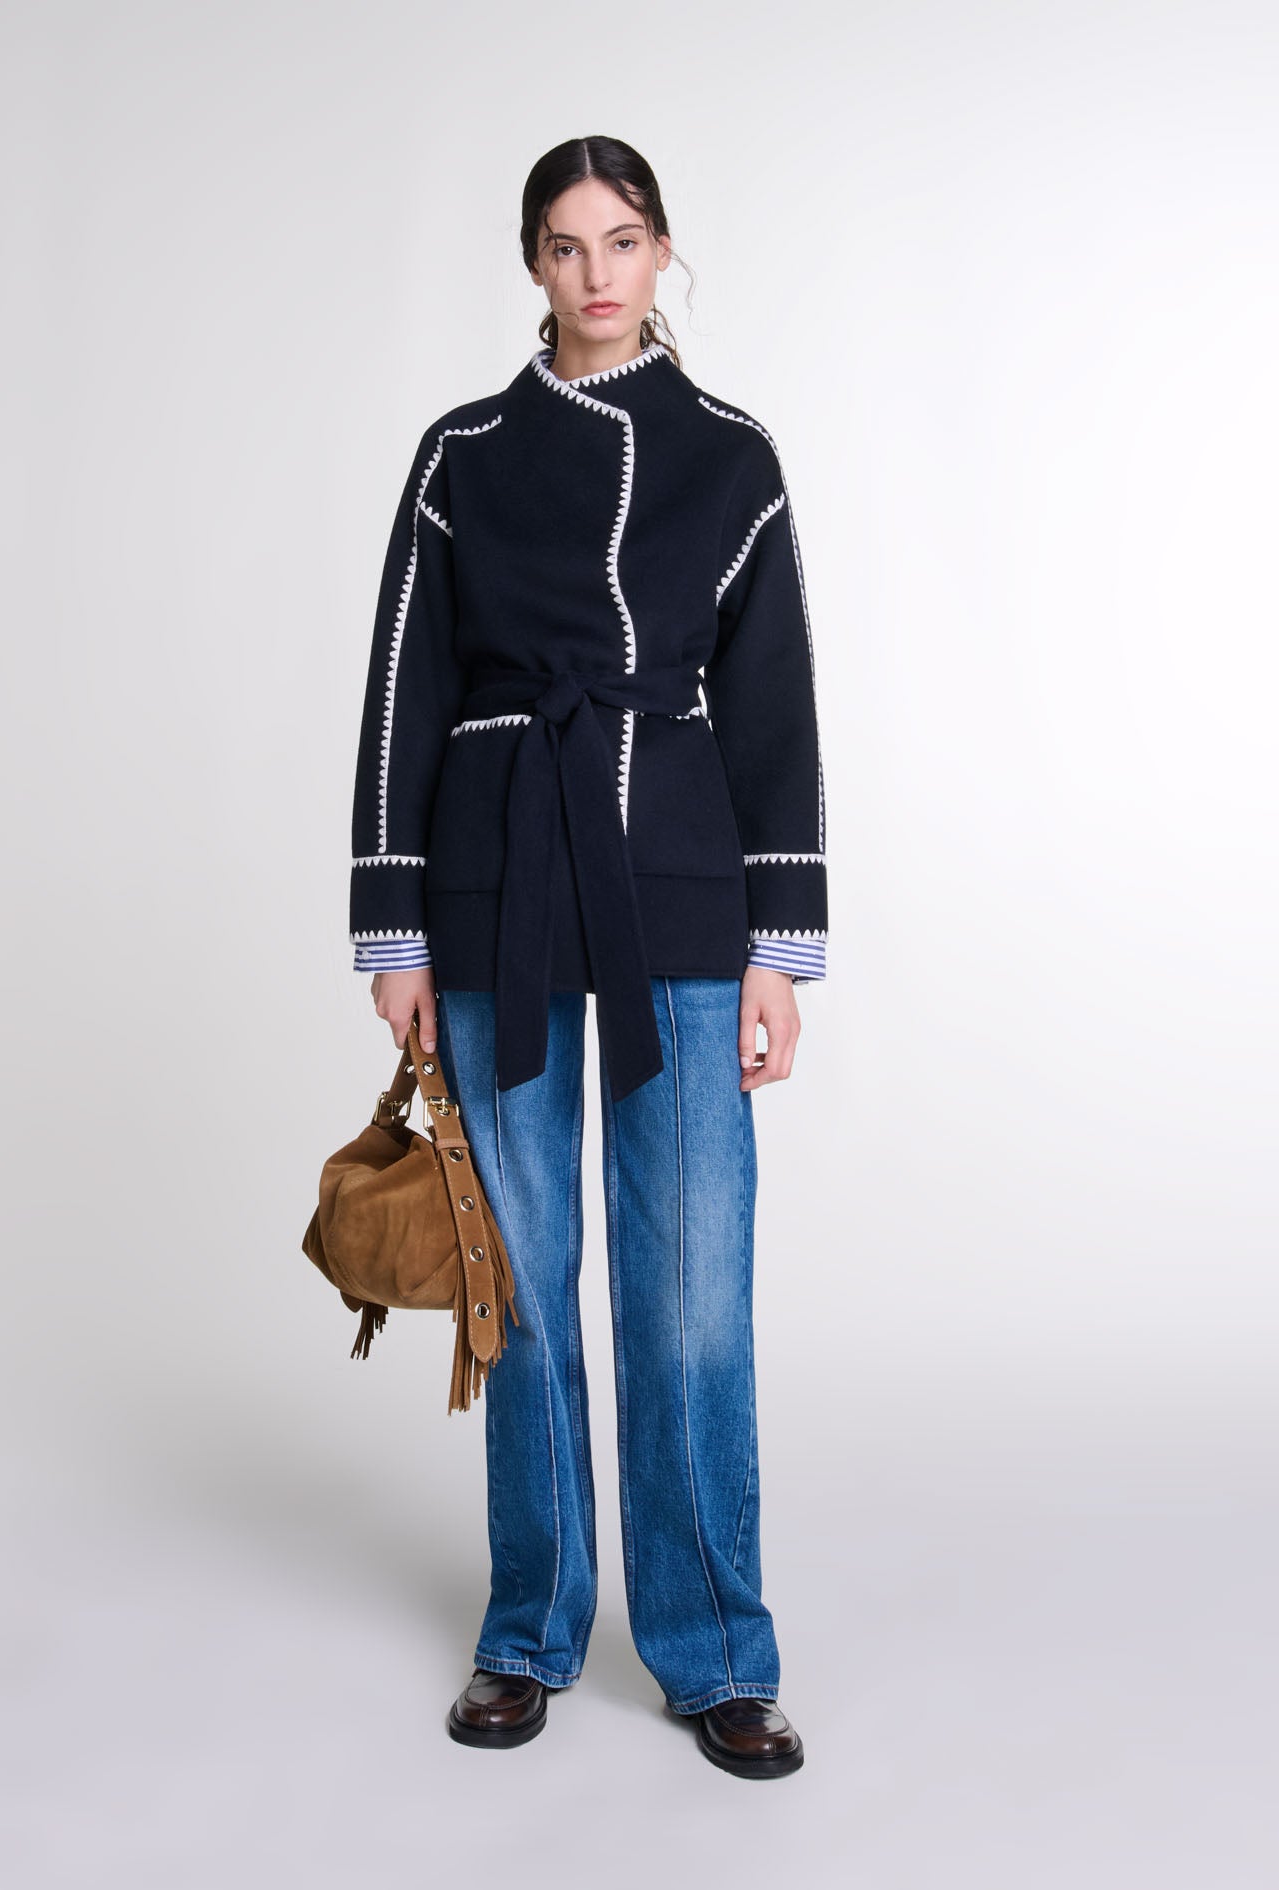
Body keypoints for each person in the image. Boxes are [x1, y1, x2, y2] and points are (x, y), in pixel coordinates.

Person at [347, 135, 826, 1781]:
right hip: (498, 889)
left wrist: (778, 952)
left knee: (691, 1299)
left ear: (663, 252)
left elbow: (774, 708)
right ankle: (528, 1627)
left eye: (623, 241)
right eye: (565, 246)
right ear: (532, 265)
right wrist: (397, 927)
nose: (596, 273)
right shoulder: (462, 454)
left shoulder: (734, 457)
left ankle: (717, 1650)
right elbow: (406, 685)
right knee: (524, 1287)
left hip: (682, 898)